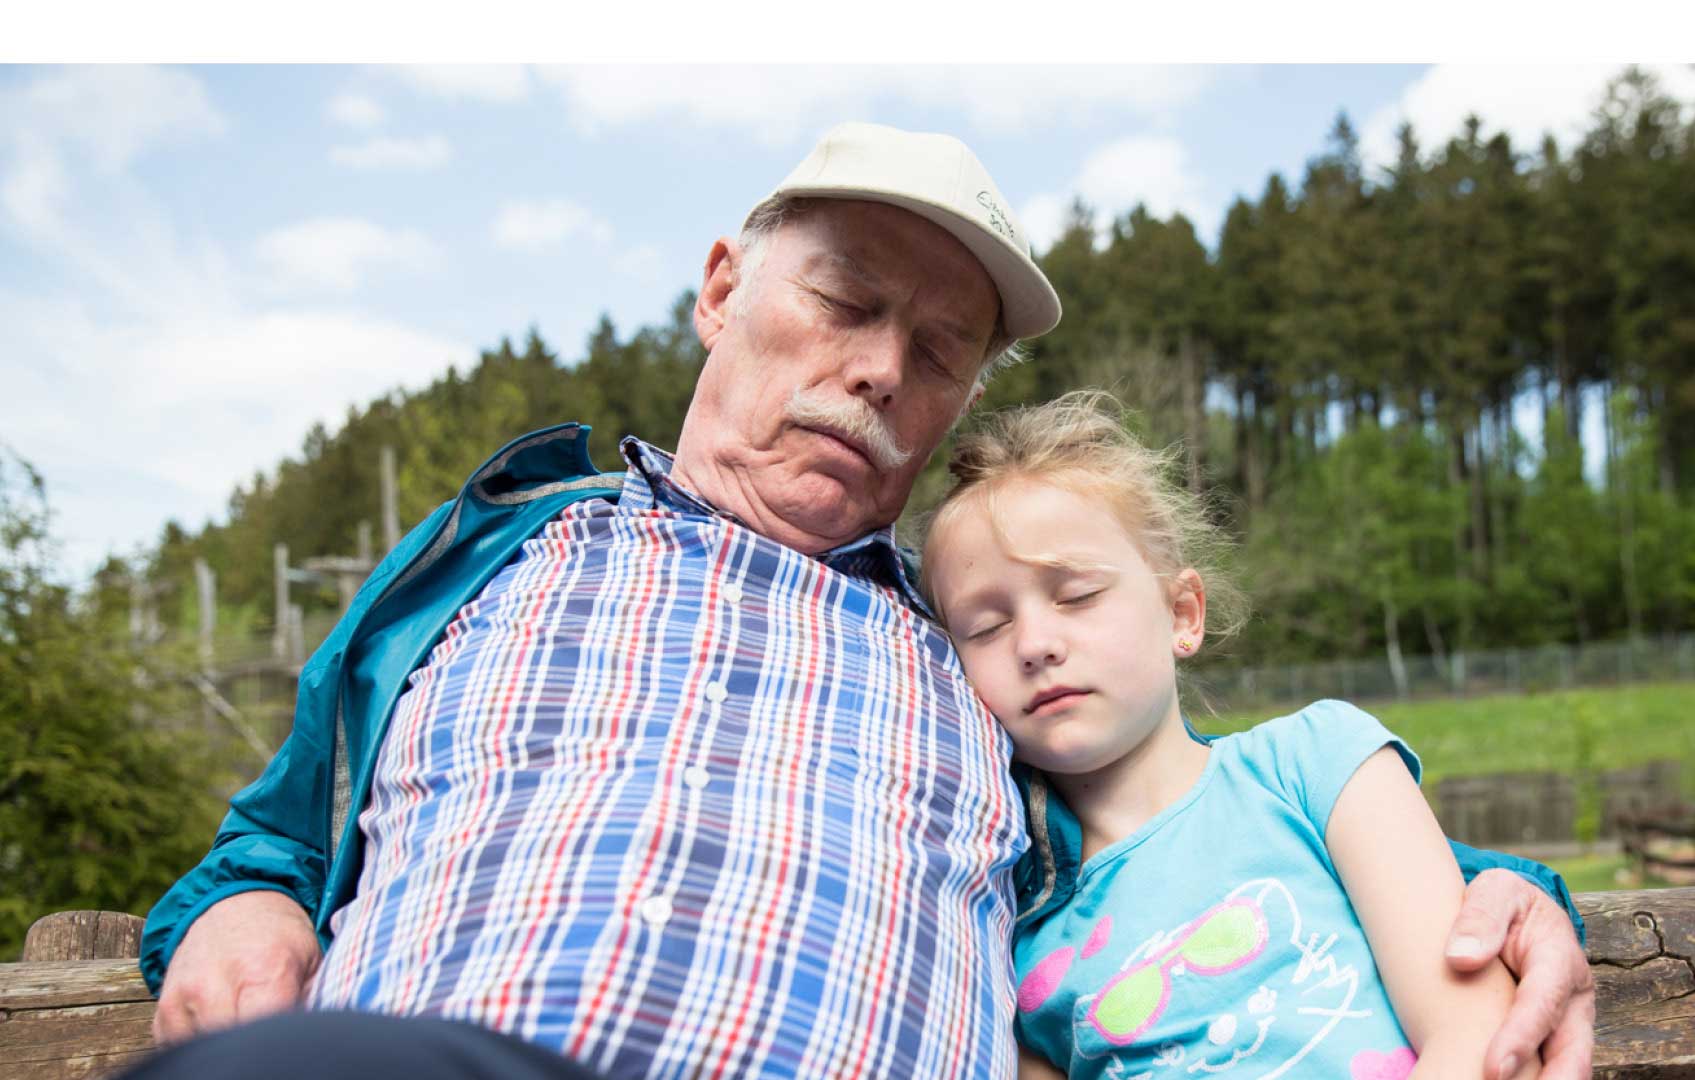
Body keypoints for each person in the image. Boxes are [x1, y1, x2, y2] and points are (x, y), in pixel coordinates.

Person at [132, 122, 1594, 1080]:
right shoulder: (496, 553)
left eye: (941, 350)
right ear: (720, 290)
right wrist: (238, 904)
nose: (885, 368)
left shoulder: (958, 646)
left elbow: (1209, 835)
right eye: (843, 304)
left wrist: (1507, 898)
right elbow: (269, 838)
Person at [919, 391, 1543, 1079]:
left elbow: (1475, 1035)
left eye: (1077, 596)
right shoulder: (1012, 934)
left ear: (1183, 613)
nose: (1035, 644)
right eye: (986, 627)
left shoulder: (1318, 765)